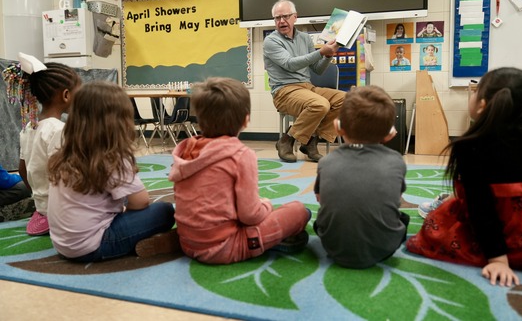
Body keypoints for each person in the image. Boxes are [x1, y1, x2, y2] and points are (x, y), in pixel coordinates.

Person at [407, 67, 522, 286]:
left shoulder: (471, 148)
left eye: (475, 91)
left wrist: (498, 260)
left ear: (482, 105)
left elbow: (481, 209)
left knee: (435, 225)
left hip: (507, 240)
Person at [169, 77, 311, 264]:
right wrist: (266, 205)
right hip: (225, 247)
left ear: (199, 119)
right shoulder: (240, 155)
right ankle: (270, 242)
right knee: (300, 211)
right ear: (246, 120)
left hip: (187, 242)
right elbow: (250, 215)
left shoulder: (186, 149)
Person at [47, 81, 178, 262]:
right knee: (165, 211)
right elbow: (140, 202)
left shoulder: (64, 153)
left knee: (120, 197)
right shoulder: (111, 156)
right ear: (120, 122)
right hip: (94, 246)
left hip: (63, 245)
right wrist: (125, 211)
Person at [313, 85, 409, 269]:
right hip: (383, 248)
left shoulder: (326, 161)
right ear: (390, 133)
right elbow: (396, 199)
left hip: (333, 246)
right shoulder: (396, 161)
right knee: (402, 218)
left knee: (319, 219)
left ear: (338, 127)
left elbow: (320, 198)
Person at [3, 53, 81, 236]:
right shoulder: (58, 130)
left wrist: (40, 199)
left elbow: (23, 170)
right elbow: (67, 176)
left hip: (42, 209)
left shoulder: (29, 127)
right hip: (62, 210)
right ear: (66, 95)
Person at [263, 0, 346, 163]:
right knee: (320, 104)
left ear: (295, 17)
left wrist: (328, 55)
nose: (281, 21)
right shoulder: (271, 41)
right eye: (277, 18)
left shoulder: (305, 38)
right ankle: (287, 140)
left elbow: (317, 69)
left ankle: (311, 141)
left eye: (285, 16)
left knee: (347, 100)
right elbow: (290, 64)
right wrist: (321, 52)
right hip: (284, 91)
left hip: (307, 88)